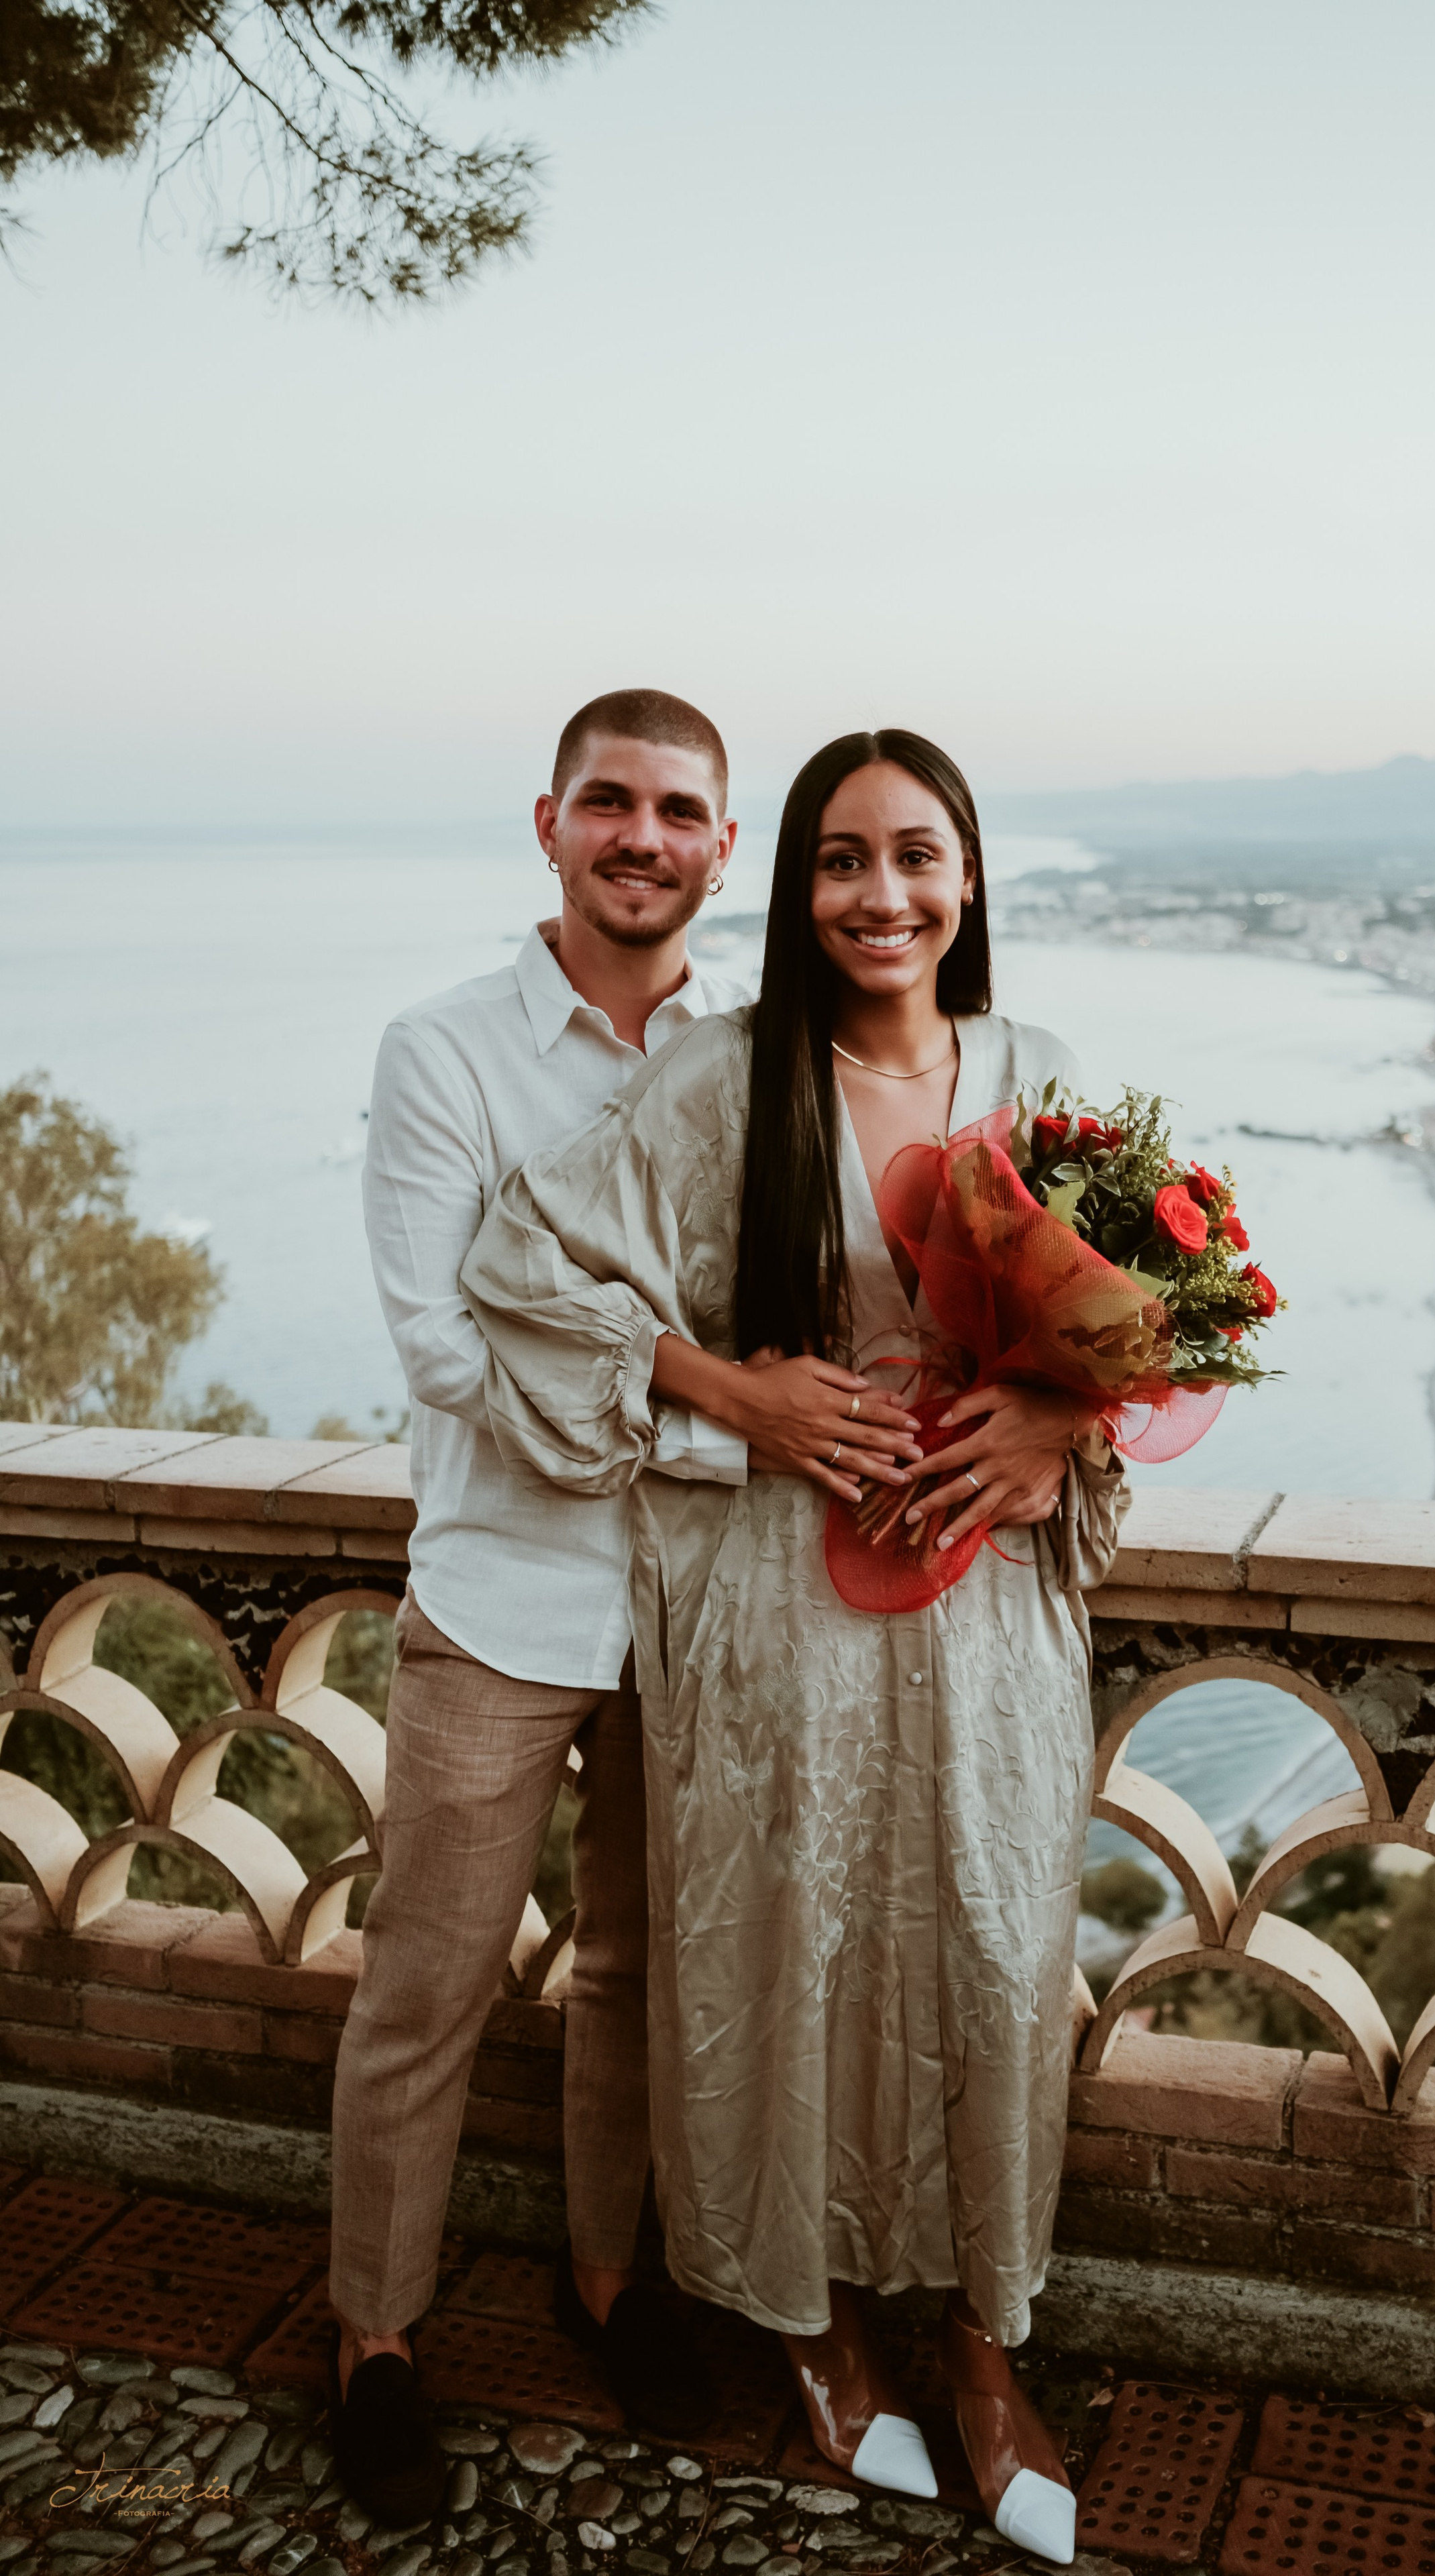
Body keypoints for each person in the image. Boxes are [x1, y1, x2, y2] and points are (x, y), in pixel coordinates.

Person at [460, 729, 1127, 2564]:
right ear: (797, 883)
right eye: (842, 859)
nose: (881, 893)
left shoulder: (1043, 1082)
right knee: (783, 1950)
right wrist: (723, 1388)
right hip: (776, 1613)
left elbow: (1139, 1335)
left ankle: (982, 2347)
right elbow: (522, 1260)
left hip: (989, 1617)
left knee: (994, 1957)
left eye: (916, 855)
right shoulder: (722, 1079)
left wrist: (1061, 1420)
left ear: (968, 876)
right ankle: (812, 2327)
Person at [327, 688, 811, 2522]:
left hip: (697, 1614)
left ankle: (608, 2281)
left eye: (679, 812)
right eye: (610, 802)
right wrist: (714, 1410)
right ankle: (375, 2334)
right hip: (500, 1598)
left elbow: (795, 1317)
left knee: (641, 1980)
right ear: (549, 823)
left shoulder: (761, 1058)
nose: (642, 838)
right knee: (426, 1985)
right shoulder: (443, 1051)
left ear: (722, 847)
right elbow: (448, 1350)